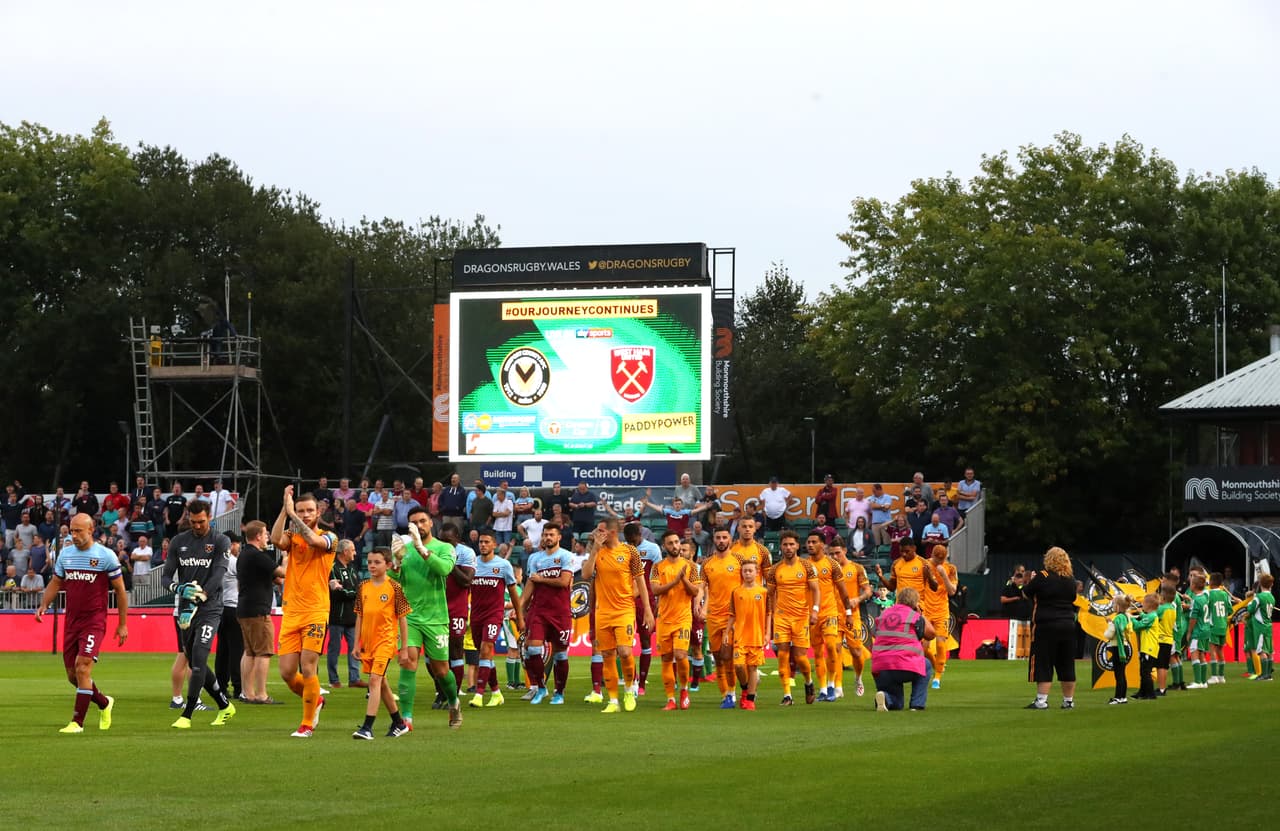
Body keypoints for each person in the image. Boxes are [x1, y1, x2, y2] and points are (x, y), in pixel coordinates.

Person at [33, 513, 128, 733]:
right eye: (71, 530)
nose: (73, 535)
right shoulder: (65, 555)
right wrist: (44, 604)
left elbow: (121, 591)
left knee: (83, 667)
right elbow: (56, 582)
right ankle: (104, 703)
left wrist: (122, 624)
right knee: (73, 676)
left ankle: (77, 722)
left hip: (94, 620)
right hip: (71, 621)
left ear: (91, 530)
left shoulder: (106, 556)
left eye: (78, 531)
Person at [161, 501, 236, 728]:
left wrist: (201, 595)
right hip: (185, 610)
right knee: (194, 660)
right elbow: (166, 577)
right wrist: (178, 588)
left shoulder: (220, 541)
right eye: (193, 522)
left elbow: (218, 575)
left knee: (198, 659)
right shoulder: (179, 541)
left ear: (209, 517)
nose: (198, 526)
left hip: (210, 608)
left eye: (202, 521)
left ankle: (187, 715)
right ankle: (225, 706)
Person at [271, 486, 339, 738]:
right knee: (288, 673)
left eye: (310, 510)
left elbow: (313, 540)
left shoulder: (330, 537)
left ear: (318, 511)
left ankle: (307, 724)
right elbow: (276, 539)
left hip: (315, 611)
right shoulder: (292, 535)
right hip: (292, 611)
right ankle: (315, 699)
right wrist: (284, 510)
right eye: (301, 510)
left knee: (308, 667)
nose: (306, 514)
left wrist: (294, 516)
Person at [389, 505, 460, 729]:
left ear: (431, 523)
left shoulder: (444, 547)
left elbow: (444, 570)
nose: (419, 526)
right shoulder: (404, 549)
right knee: (408, 661)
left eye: (422, 521)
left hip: (436, 618)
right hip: (410, 616)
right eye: (414, 523)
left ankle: (453, 702)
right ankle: (406, 718)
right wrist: (396, 564)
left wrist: (422, 549)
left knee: (441, 670)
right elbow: (393, 581)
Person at [582, 516, 653, 713]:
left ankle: (630, 689)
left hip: (624, 610)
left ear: (611, 532)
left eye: (600, 531)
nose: (596, 534)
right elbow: (586, 575)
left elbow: (641, 582)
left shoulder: (630, 551)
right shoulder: (597, 552)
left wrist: (647, 609)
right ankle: (613, 701)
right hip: (603, 612)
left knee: (625, 651)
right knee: (607, 655)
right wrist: (594, 550)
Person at [351, 547, 412, 739]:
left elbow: (402, 618)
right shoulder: (363, 587)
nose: (371, 566)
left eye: (377, 562)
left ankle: (367, 728)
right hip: (367, 644)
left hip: (385, 642)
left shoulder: (394, 587)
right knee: (382, 683)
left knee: (374, 681)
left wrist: (403, 649)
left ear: (387, 565)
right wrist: (355, 645)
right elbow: (359, 616)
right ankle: (398, 723)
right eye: (369, 562)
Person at [520, 522, 574, 705]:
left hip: (560, 612)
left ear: (559, 537)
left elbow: (564, 582)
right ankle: (541, 688)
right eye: (545, 535)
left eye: (551, 535)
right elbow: (530, 585)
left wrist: (541, 578)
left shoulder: (566, 556)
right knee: (532, 648)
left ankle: (559, 693)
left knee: (560, 654)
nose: (547, 538)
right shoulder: (534, 558)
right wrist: (519, 609)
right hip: (539, 611)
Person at [467, 530, 523, 707]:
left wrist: (520, 616)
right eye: (481, 542)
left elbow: (513, 592)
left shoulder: (503, 565)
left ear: (494, 545)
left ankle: (479, 694)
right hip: (476, 616)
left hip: (494, 615)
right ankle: (497, 692)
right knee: (484, 654)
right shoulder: (472, 563)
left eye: (486, 542)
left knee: (486, 648)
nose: (483, 544)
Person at [1021, 546, 1079, 710]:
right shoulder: (1070, 579)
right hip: (1068, 624)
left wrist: (1031, 581)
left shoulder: (1042, 576)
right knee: (1067, 663)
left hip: (1046, 625)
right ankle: (1068, 700)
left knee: (1044, 662)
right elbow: (1073, 598)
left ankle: (1041, 700)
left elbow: (1026, 593)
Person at [650, 530, 702, 710]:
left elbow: (695, 592)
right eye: (670, 543)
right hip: (664, 618)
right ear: (664, 546)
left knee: (680, 655)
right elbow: (655, 590)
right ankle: (670, 699)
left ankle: (684, 690)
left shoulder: (691, 566)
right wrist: (675, 581)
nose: (674, 546)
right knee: (666, 658)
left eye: (676, 542)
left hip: (683, 618)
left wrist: (684, 580)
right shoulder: (658, 566)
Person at [767, 530, 818, 705]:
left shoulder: (806, 566)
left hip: (801, 617)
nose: (788, 548)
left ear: (797, 546)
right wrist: (773, 615)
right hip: (782, 617)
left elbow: (815, 590)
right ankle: (787, 694)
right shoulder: (775, 569)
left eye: (791, 544)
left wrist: (815, 611)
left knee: (800, 657)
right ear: (781, 547)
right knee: (782, 654)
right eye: (785, 544)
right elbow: (770, 594)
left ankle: (808, 682)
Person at [237, 520, 282, 704]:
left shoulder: (244, 555)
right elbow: (282, 573)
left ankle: (248, 693)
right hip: (258, 610)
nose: (267, 537)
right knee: (263, 652)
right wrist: (289, 559)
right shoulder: (258, 556)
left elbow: (272, 578)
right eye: (265, 534)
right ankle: (261, 694)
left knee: (250, 652)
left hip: (245, 608)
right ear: (258, 536)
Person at [805, 533, 854, 702]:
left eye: (814, 542)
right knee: (817, 652)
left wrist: (848, 613)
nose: (810, 545)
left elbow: (843, 591)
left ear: (822, 545)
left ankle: (833, 685)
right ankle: (823, 689)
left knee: (832, 646)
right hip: (812, 616)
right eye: (808, 542)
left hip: (830, 612)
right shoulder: (804, 565)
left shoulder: (832, 564)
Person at [871, 586, 934, 712]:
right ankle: (916, 704)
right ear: (915, 603)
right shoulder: (914, 616)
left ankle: (886, 698)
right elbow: (931, 634)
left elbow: (875, 633)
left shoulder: (884, 614)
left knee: (897, 704)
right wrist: (920, 614)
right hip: (905, 665)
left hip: (881, 667)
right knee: (926, 665)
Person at [702, 526, 741, 708]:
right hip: (713, 616)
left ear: (730, 540)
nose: (721, 541)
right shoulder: (707, 564)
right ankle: (726, 694)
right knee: (718, 657)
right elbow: (702, 588)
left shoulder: (739, 561)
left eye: (724, 537)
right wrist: (700, 606)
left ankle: (733, 692)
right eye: (718, 538)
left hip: (732, 617)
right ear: (714, 540)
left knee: (727, 656)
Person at [438, 524, 476, 704]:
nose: (444, 544)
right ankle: (441, 691)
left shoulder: (466, 553)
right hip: (435, 609)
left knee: (455, 650)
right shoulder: (433, 550)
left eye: (448, 541)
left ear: (457, 538)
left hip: (457, 609)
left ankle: (453, 693)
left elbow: (467, 581)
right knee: (434, 655)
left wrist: (450, 563)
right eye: (441, 540)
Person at [830, 536, 872, 697]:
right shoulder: (830, 570)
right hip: (834, 615)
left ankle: (858, 677)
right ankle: (838, 687)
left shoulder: (857, 568)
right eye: (832, 554)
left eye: (837, 553)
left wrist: (858, 599)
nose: (835, 557)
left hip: (852, 616)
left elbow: (868, 590)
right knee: (835, 649)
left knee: (856, 652)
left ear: (845, 551)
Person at [624, 522, 662, 697]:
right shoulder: (622, 550)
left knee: (646, 641)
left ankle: (642, 685)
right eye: (629, 540)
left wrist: (657, 602)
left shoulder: (653, 549)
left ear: (640, 534)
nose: (632, 543)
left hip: (645, 601)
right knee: (624, 644)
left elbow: (658, 575)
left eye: (635, 539)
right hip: (625, 602)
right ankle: (633, 678)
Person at [727, 559, 768, 710]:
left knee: (752, 668)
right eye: (745, 571)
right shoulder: (736, 592)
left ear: (757, 572)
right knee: (738, 666)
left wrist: (767, 633)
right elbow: (732, 614)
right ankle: (744, 688)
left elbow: (768, 614)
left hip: (756, 636)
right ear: (741, 573)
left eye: (751, 570)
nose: (748, 573)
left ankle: (750, 699)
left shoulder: (763, 592)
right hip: (740, 636)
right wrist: (726, 631)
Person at [326, 539, 364, 689]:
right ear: (345, 552)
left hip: (352, 617)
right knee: (334, 649)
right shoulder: (333, 568)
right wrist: (353, 593)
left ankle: (354, 678)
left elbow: (357, 589)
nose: (355, 553)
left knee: (354, 648)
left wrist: (350, 592)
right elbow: (337, 593)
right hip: (337, 616)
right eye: (353, 550)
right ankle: (334, 679)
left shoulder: (352, 569)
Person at [921, 545, 957, 689]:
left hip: (942, 611)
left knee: (941, 643)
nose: (939, 562)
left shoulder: (951, 569)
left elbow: (952, 591)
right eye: (937, 559)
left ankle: (937, 677)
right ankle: (937, 664)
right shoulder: (925, 565)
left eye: (942, 559)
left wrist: (944, 576)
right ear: (933, 555)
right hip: (926, 610)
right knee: (923, 647)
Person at [213, 538, 244, 702]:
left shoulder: (215, 560)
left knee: (222, 650)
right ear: (232, 544)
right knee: (237, 650)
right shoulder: (234, 561)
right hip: (233, 607)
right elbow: (242, 582)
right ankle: (239, 687)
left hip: (218, 608)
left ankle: (222, 687)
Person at [1103, 593, 1134, 704]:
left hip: (1118, 648)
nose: (1112, 606)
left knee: (1118, 674)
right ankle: (1123, 697)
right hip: (1124, 646)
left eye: (1114, 604)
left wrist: (1109, 624)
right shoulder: (1127, 616)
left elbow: (1110, 634)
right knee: (1122, 673)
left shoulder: (1118, 618)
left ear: (1118, 606)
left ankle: (1118, 697)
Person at [1244, 573, 1275, 681]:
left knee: (1261, 651)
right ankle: (1269, 674)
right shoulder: (1271, 597)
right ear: (1271, 585)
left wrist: (1249, 603)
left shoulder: (1259, 597)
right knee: (1269, 651)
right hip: (1269, 626)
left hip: (1260, 627)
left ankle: (1265, 675)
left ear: (1260, 583)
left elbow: (1251, 609)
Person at [1131, 593, 1160, 700]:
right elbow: (1145, 617)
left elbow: (1139, 626)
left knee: (1145, 671)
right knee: (1143, 670)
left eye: (1143, 602)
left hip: (1149, 648)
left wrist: (1131, 618)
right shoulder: (1151, 615)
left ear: (1149, 605)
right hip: (1147, 647)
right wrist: (1141, 614)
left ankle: (1150, 693)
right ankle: (1142, 692)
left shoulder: (1152, 616)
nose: (1142, 604)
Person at [1185, 571, 1211, 689]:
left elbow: (1193, 618)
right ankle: (1203, 681)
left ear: (1194, 586)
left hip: (1198, 630)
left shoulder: (1196, 600)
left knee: (1194, 653)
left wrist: (1189, 632)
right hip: (1206, 629)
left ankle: (1198, 681)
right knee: (1202, 655)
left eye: (1191, 583)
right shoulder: (1205, 596)